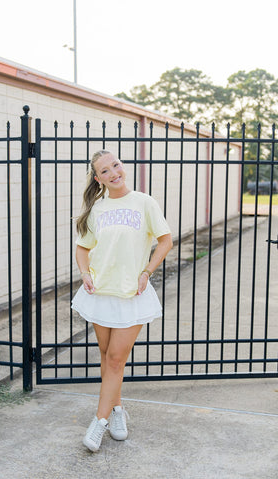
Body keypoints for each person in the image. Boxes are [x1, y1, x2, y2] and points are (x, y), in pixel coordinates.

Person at [72, 150, 173, 452]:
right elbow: (83, 247)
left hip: (133, 294)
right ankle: (117, 410)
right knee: (107, 357)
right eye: (105, 171)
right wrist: (83, 273)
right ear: (98, 178)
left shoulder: (144, 202)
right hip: (100, 293)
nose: (113, 172)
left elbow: (165, 239)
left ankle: (98, 422)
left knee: (116, 358)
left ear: (121, 166)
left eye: (115, 165)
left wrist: (147, 270)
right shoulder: (96, 209)